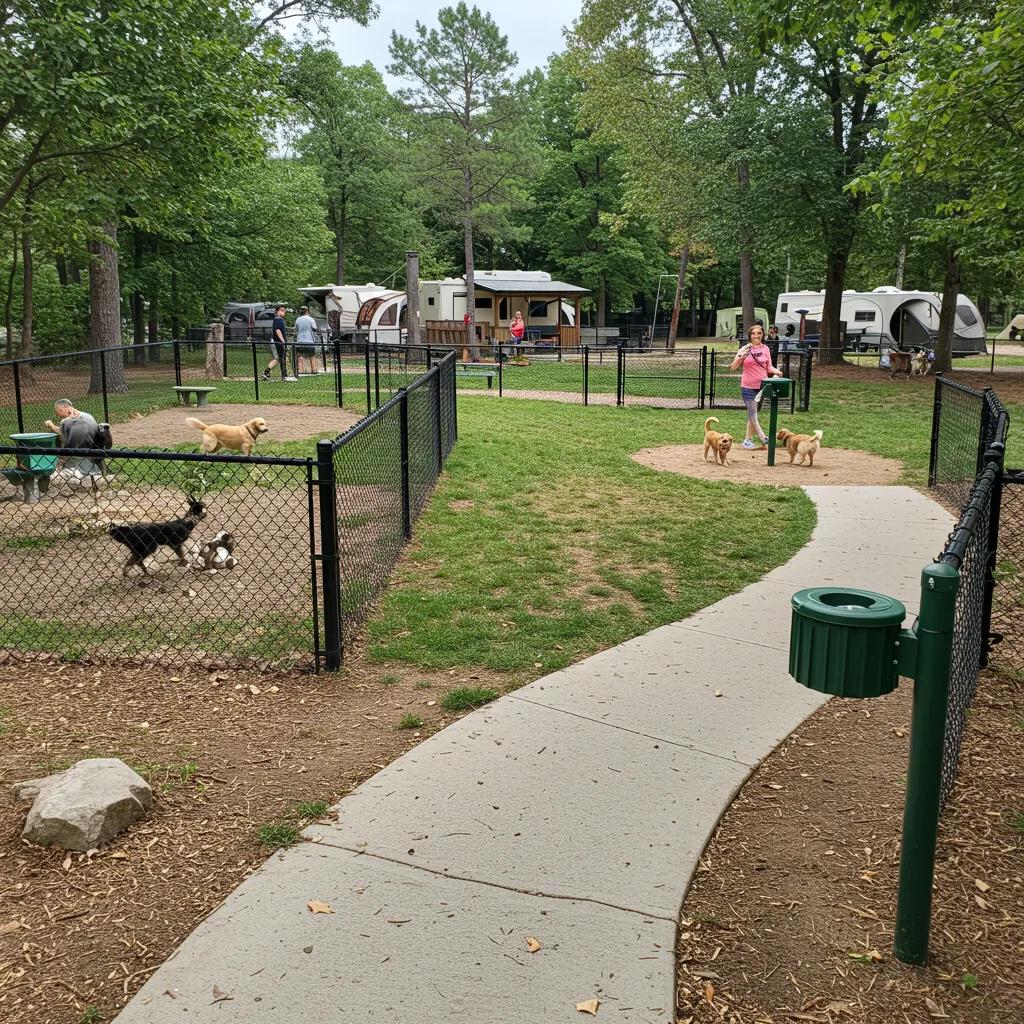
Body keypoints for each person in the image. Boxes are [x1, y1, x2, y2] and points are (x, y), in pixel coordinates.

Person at [730, 324, 782, 449]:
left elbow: (769, 367)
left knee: (752, 414)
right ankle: (763, 437)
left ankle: (747, 440)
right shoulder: (745, 348)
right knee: (753, 413)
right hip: (748, 386)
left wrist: (778, 372)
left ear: (763, 335)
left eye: (759, 333)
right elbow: (733, 367)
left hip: (762, 386)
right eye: (753, 333)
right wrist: (742, 357)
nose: (756, 336)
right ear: (750, 335)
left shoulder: (765, 349)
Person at [44, 400, 103, 477]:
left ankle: (69, 471)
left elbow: (63, 435)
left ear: (66, 408)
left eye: (59, 411)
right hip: (95, 448)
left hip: (82, 451)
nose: (57, 414)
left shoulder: (67, 420)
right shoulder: (86, 415)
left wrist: (51, 425)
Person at [262, 306, 296, 382]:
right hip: (277, 342)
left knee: (279, 358)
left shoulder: (279, 320)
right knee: (280, 358)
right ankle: (283, 375)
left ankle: (267, 373)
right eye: (281, 310)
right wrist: (283, 341)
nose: (283, 311)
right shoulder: (278, 320)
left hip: (278, 342)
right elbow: (277, 331)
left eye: (284, 310)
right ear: (277, 311)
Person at [294, 305, 319, 375]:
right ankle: (314, 371)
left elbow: (296, 329)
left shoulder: (298, 319)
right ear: (307, 311)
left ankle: (301, 371)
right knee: (312, 356)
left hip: (300, 341)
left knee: (300, 356)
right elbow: (315, 329)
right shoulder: (311, 319)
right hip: (309, 341)